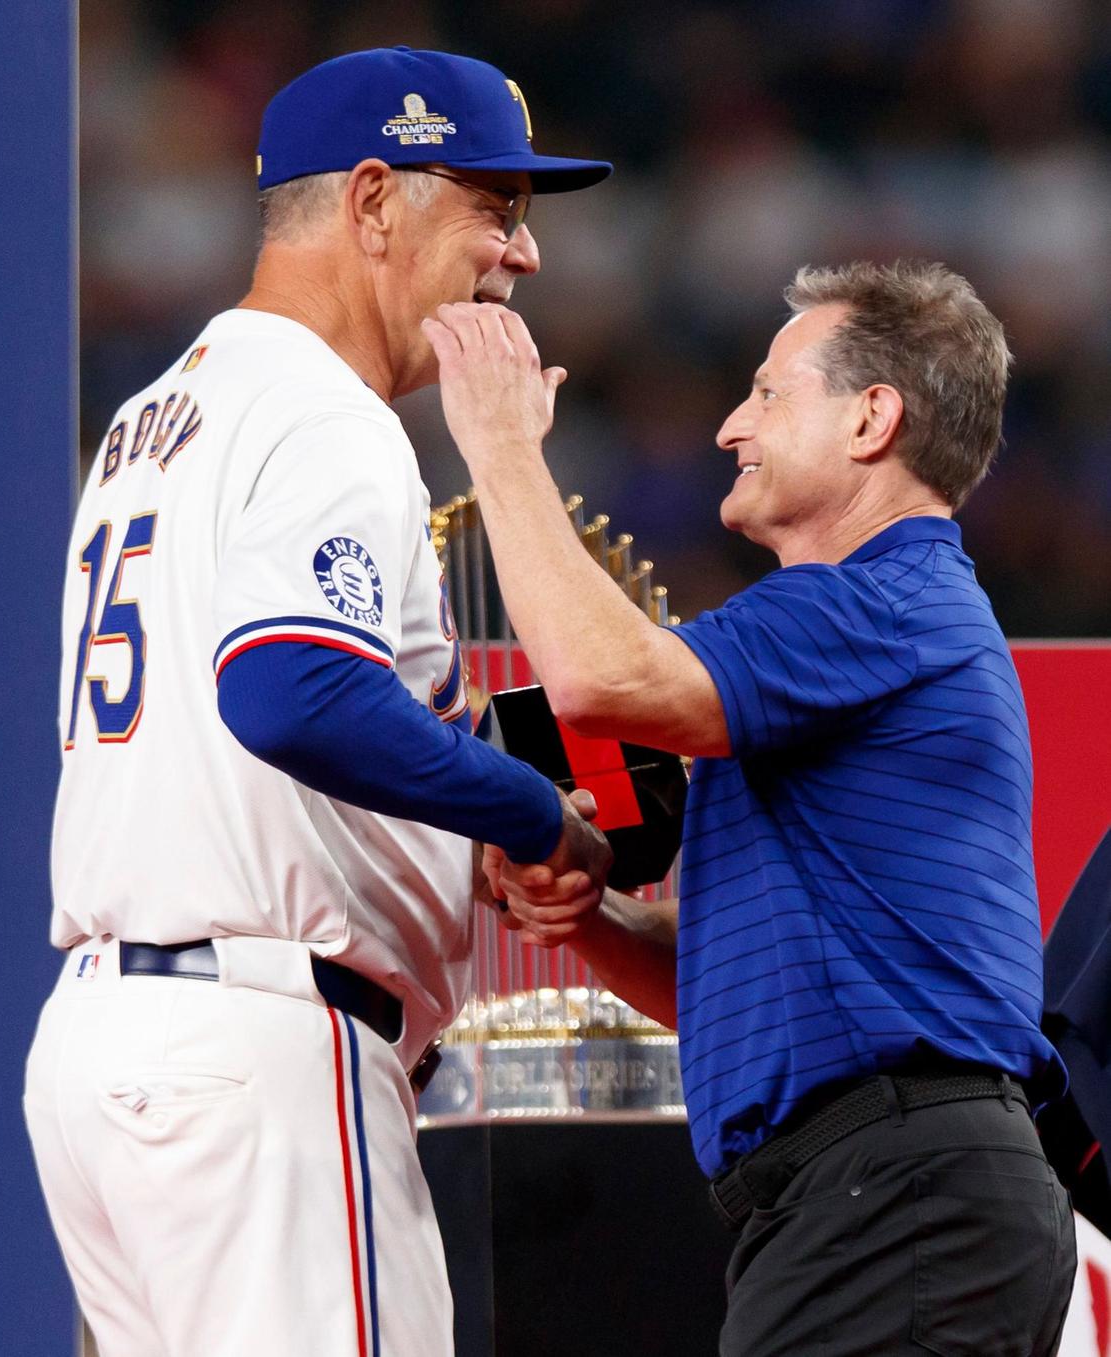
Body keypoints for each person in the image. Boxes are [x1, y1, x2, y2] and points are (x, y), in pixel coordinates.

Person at [24, 47, 613, 1357]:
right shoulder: (324, 412)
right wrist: (527, 813)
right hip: (261, 1063)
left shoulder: (156, 418)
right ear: (371, 203)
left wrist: (470, 839)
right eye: (495, 210)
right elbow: (291, 691)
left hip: (114, 1055)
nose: (523, 257)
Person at [422, 261, 1078, 1356]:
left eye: (770, 392)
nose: (732, 425)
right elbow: (730, 976)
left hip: (900, 1196)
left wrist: (497, 443)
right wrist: (588, 916)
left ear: (875, 418)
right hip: (876, 1198)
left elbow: (597, 676)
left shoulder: (878, 601)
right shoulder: (862, 632)